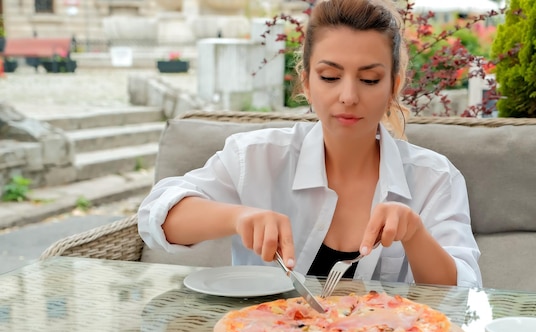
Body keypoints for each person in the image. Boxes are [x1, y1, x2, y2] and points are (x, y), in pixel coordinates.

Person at [138, 0, 481, 287]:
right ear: (305, 81)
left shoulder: (435, 179)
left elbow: (464, 292)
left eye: (369, 79)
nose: (348, 96)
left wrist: (414, 233)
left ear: (394, 85)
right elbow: (157, 218)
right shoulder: (257, 157)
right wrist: (239, 217)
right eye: (330, 77)